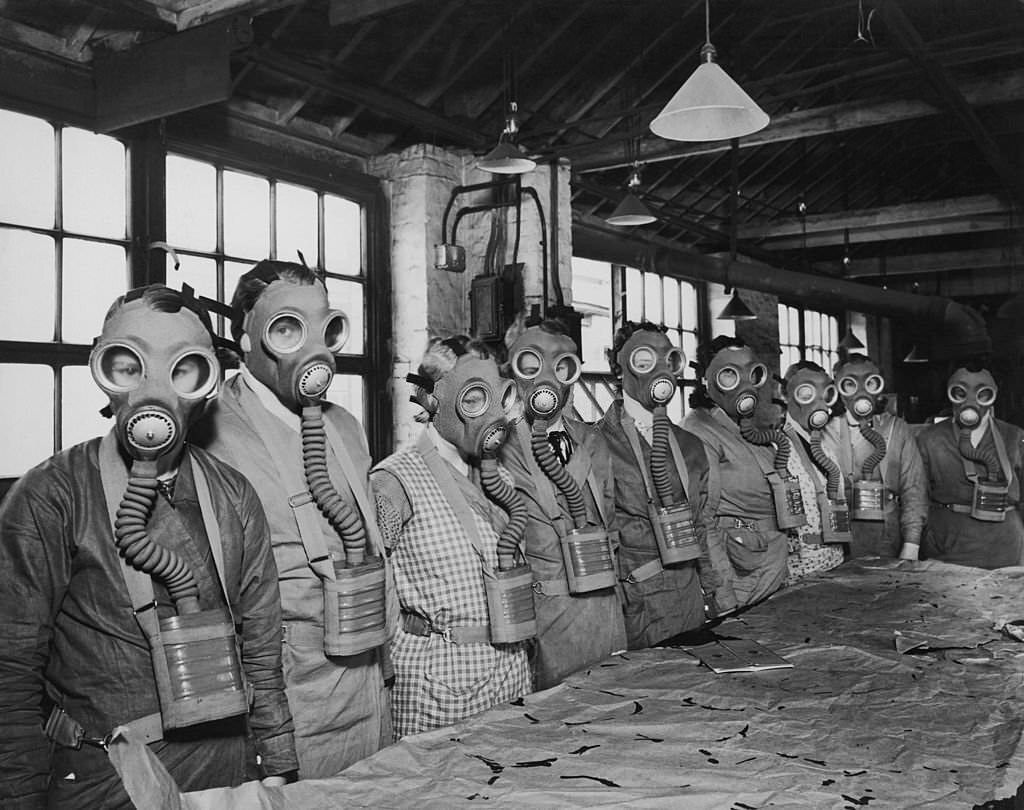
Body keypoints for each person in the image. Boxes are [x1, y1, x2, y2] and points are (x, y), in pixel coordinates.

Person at [0, 285, 297, 809]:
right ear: (106, 372)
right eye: (131, 365)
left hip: (227, 770)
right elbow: (11, 671)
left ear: (207, 383)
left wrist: (278, 770)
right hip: (109, 777)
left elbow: (263, 652)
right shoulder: (53, 494)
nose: (155, 388)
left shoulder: (233, 494)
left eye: (183, 368)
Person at [192, 261, 390, 779]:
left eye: (324, 328)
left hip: (368, 683)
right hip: (289, 703)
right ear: (246, 337)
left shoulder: (344, 427)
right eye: (287, 329)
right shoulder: (213, 435)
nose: (311, 348)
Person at [371, 337, 532, 735]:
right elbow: (378, 592)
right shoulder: (394, 482)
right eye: (475, 397)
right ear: (433, 401)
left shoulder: (500, 478)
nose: (490, 411)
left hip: (510, 672)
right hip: (440, 686)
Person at [501, 320, 626, 686]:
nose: (547, 379)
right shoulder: (500, 450)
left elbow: (611, 523)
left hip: (604, 607)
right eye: (532, 364)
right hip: (548, 617)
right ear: (515, 370)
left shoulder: (593, 441)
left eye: (561, 366)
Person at [596, 322, 729, 646]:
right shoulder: (597, 445)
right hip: (637, 604)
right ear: (619, 366)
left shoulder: (690, 445)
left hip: (689, 599)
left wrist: (713, 590)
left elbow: (701, 525)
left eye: (666, 359)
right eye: (644, 360)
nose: (657, 370)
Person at [683, 336, 792, 609]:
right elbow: (701, 521)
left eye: (751, 373)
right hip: (740, 575)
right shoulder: (699, 431)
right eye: (730, 375)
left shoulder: (749, 431)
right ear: (707, 380)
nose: (744, 385)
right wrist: (721, 591)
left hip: (770, 565)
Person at [916, 361, 1024, 568]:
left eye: (982, 393)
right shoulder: (930, 439)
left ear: (992, 396)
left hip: (1006, 548)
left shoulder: (1014, 437)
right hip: (949, 545)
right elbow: (917, 497)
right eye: (960, 392)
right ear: (951, 394)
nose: (971, 401)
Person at [820, 353, 926, 560]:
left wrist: (911, 544)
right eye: (849, 384)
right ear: (838, 390)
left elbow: (914, 488)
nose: (860, 392)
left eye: (870, 383)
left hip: (886, 533)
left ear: (879, 388)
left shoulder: (897, 429)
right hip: (838, 534)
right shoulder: (825, 431)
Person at [779, 361, 847, 582]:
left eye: (824, 393)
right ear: (786, 394)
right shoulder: (775, 448)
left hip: (835, 561)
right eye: (807, 392)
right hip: (798, 570)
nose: (818, 402)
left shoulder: (826, 449)